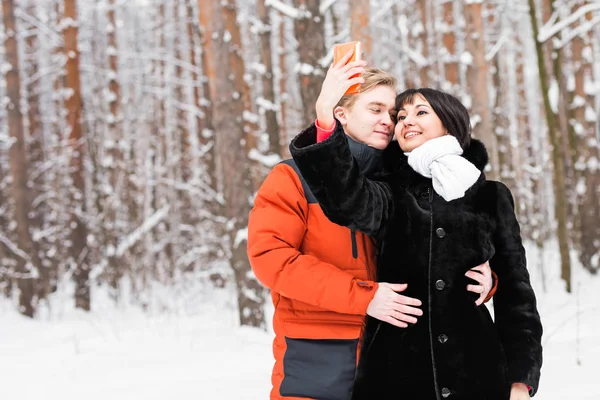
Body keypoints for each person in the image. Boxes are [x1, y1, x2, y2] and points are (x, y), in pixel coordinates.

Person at [289, 56, 543, 400]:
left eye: (420, 112)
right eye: (401, 116)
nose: (406, 121)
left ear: (450, 122)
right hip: (396, 375)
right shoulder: (386, 189)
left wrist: (521, 379)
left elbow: (517, 291)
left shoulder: (490, 195)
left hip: (479, 372)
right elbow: (346, 199)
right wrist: (324, 114)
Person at [247, 59, 497, 400]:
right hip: (319, 357)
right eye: (375, 108)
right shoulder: (292, 178)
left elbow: (440, 251)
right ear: (342, 114)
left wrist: (485, 276)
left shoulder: (407, 180)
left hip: (399, 362)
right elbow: (272, 259)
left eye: (392, 113)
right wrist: (364, 296)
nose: (387, 120)